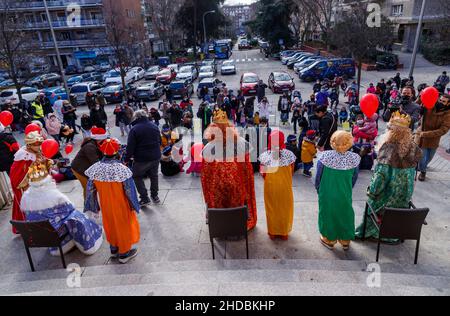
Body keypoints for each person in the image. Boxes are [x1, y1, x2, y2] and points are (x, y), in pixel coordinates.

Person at [355, 112, 422, 243]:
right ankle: (395, 234)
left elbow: (380, 176)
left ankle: (369, 233)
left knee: (372, 203)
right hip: (404, 197)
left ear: (393, 131)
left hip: (386, 197)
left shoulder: (388, 148)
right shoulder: (413, 147)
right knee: (397, 209)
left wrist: (372, 192)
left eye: (389, 128)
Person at [21, 160, 103, 256]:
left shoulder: (25, 196)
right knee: (76, 216)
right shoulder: (54, 195)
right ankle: (88, 243)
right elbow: (70, 207)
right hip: (55, 234)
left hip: (39, 234)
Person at [85, 138, 140, 264]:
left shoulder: (95, 169)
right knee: (123, 226)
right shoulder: (122, 169)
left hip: (106, 204)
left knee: (110, 224)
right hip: (121, 204)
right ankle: (124, 253)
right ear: (117, 152)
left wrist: (93, 206)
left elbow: (90, 190)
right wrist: (134, 205)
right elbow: (129, 190)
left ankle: (114, 249)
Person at [201, 109, 258, 231]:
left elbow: (206, 179)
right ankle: (238, 223)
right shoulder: (243, 144)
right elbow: (247, 172)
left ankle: (222, 226)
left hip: (218, 192)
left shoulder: (207, 149)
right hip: (239, 190)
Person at [315, 131, 361, 251]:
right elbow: (354, 177)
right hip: (344, 191)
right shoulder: (353, 159)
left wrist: (318, 189)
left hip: (327, 191)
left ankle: (329, 239)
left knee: (327, 213)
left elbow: (318, 176)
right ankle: (345, 240)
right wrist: (348, 188)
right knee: (345, 213)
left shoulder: (324, 157)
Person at [259, 130, 297, 240]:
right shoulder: (290, 155)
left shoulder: (265, 156)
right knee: (284, 208)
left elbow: (263, 173)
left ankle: (272, 232)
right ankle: (284, 232)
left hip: (271, 187)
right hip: (285, 186)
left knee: (272, 208)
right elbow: (292, 170)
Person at [9, 131, 44, 234]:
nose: (38, 146)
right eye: (35, 144)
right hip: (23, 184)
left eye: (39, 143)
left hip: (35, 182)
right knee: (25, 204)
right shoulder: (23, 155)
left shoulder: (37, 151)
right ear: (30, 144)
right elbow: (19, 174)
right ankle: (28, 226)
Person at [125, 110, 162, 206]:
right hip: (155, 156)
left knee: (137, 176)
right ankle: (155, 196)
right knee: (154, 176)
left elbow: (130, 146)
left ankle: (145, 198)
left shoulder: (135, 129)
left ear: (136, 117)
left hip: (142, 158)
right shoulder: (154, 125)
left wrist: (126, 158)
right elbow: (160, 141)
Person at [416, 94, 450, 181]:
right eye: (440, 100)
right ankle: (423, 172)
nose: (440, 102)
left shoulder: (448, 114)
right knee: (422, 159)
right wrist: (421, 96)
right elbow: (417, 105)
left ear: (448, 104)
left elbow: (443, 130)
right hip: (421, 137)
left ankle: (422, 167)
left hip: (433, 140)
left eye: (443, 101)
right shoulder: (430, 105)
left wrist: (426, 134)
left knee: (429, 158)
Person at [71, 127, 106, 199]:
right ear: (99, 139)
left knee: (91, 187)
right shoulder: (89, 146)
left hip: (85, 167)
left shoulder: (94, 143)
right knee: (88, 188)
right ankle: (88, 206)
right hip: (79, 169)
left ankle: (92, 205)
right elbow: (95, 162)